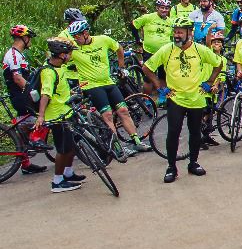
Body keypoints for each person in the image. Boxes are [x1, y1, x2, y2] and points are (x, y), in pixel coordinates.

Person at [141, 18, 222, 183]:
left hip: (196, 97)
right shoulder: (167, 49)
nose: (176, 35)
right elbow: (147, 68)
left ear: (189, 33)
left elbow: (218, 63)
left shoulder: (200, 50)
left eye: (180, 32)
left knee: (195, 132)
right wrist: (158, 86)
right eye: (175, 31)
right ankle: (171, 167)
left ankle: (193, 163)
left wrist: (209, 82)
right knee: (173, 132)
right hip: (176, 97)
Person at [66, 20, 148, 156]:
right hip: (91, 86)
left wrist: (122, 67)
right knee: (108, 115)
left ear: (86, 33)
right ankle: (118, 148)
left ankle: (137, 141)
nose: (75, 38)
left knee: (123, 110)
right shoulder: (73, 48)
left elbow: (118, 48)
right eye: (73, 36)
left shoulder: (102, 40)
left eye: (77, 35)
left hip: (108, 82)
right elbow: (61, 59)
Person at [32, 38, 85, 192]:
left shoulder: (60, 67)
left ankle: (68, 173)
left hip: (66, 110)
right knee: (63, 149)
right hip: (57, 115)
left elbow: (59, 89)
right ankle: (57, 182)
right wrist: (41, 116)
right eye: (69, 53)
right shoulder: (48, 72)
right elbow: (45, 95)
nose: (70, 56)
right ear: (62, 55)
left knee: (73, 143)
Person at [2, 25, 48, 176]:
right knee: (46, 114)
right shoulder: (13, 55)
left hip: (21, 95)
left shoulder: (18, 54)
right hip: (21, 96)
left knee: (23, 127)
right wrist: (33, 91)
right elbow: (17, 78)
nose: (30, 41)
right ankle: (35, 139)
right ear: (24, 38)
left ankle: (26, 163)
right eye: (30, 38)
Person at [132, 0, 177, 69]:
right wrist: (137, 39)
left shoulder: (171, 22)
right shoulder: (148, 17)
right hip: (149, 51)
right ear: (157, 8)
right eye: (162, 7)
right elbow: (134, 25)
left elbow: (174, 36)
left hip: (164, 53)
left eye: (166, 8)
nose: (164, 10)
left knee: (163, 76)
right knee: (148, 76)